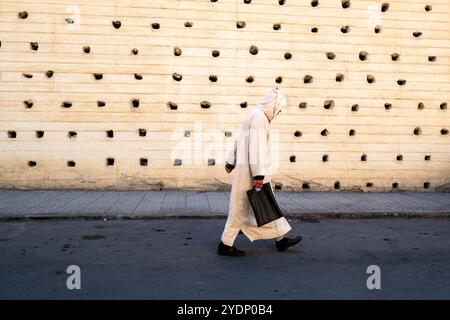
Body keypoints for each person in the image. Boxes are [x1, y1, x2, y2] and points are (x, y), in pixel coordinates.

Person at [218, 88, 303, 257]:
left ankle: (281, 240)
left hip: (251, 171)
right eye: (278, 109)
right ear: (273, 105)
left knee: (266, 205)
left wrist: (231, 161)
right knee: (241, 209)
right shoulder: (259, 118)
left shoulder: (253, 114)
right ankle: (225, 244)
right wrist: (258, 176)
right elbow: (256, 148)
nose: (278, 113)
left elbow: (239, 140)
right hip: (251, 174)